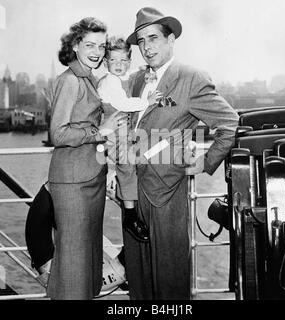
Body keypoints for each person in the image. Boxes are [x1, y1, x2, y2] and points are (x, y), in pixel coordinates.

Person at [119, 7, 239, 300]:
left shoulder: (190, 78)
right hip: (133, 195)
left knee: (170, 279)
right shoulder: (135, 80)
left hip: (166, 192)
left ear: (171, 39)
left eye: (154, 38)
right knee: (139, 278)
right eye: (142, 41)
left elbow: (229, 122)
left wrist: (206, 163)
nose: (147, 47)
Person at [47, 17, 127, 300]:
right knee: (74, 264)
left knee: (84, 264)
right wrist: (99, 131)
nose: (96, 51)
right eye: (89, 44)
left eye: (101, 46)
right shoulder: (70, 81)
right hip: (72, 184)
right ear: (75, 46)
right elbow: (57, 133)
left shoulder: (90, 79)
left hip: (89, 180)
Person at [97, 36, 162, 242]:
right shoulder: (108, 82)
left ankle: (129, 202)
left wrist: (145, 73)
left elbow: (130, 78)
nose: (119, 65)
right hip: (114, 129)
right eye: (114, 61)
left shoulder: (119, 78)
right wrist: (147, 102)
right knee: (126, 165)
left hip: (123, 129)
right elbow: (123, 103)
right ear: (106, 63)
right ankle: (130, 215)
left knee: (132, 163)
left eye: (124, 61)